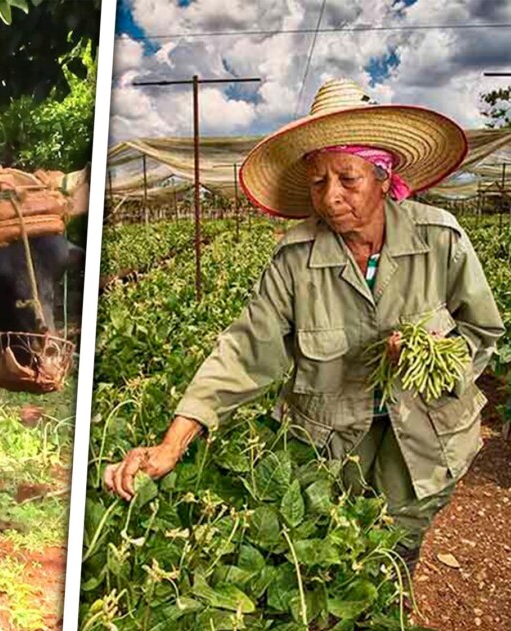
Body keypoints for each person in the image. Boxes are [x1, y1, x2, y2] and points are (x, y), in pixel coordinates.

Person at [104, 79, 504, 568]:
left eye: (348, 179)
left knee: (400, 544)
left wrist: (430, 360)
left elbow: (482, 331)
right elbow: (245, 349)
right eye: (319, 182)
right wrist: (172, 443)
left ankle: (380, 628)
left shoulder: (440, 239)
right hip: (334, 440)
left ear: (383, 177)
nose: (331, 197)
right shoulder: (295, 259)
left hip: (426, 434)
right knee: (340, 542)